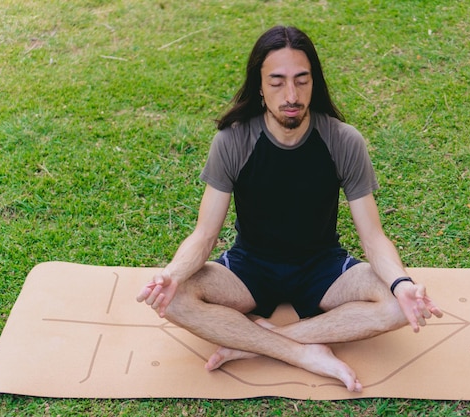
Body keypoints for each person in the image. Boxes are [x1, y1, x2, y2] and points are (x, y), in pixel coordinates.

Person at [137, 25, 442, 393]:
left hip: (323, 266)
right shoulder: (232, 141)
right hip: (250, 266)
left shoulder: (344, 141)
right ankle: (302, 353)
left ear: (315, 83)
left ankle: (254, 343)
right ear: (260, 87)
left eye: (302, 80)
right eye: (277, 82)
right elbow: (204, 235)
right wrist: (171, 275)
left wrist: (402, 283)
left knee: (399, 305)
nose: (291, 94)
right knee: (174, 299)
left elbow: (374, 238)